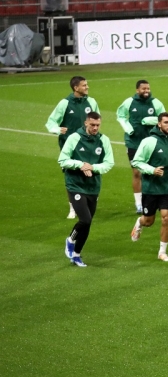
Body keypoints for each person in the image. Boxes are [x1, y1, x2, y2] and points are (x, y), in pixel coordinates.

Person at [58, 112, 115, 267]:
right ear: (86, 123)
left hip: (93, 186)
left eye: (98, 125)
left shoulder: (104, 140)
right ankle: (70, 240)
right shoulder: (74, 138)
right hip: (75, 184)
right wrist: (81, 165)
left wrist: (93, 167)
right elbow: (62, 160)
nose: (95, 128)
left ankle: (76, 255)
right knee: (85, 219)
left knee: (87, 224)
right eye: (92, 125)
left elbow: (109, 163)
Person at [129, 113, 168, 262]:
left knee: (166, 218)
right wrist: (152, 170)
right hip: (151, 188)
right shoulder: (149, 141)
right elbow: (136, 161)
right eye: (166, 122)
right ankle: (140, 222)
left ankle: (162, 252)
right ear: (159, 124)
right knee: (149, 221)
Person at [46, 76, 99, 219]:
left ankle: (89, 201)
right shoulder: (65, 103)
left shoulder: (91, 102)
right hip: (69, 145)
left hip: (88, 143)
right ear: (76, 88)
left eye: (87, 84)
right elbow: (51, 122)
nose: (87, 87)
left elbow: (97, 120)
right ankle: (73, 207)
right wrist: (57, 130)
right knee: (71, 176)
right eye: (84, 85)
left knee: (90, 171)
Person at [117, 80, 167, 214]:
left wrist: (149, 120)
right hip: (133, 142)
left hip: (152, 143)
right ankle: (139, 203)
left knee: (153, 172)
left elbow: (164, 119)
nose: (146, 91)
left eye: (148, 89)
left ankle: (153, 199)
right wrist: (128, 129)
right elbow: (120, 116)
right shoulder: (129, 102)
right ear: (137, 90)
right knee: (136, 173)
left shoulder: (156, 103)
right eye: (144, 89)